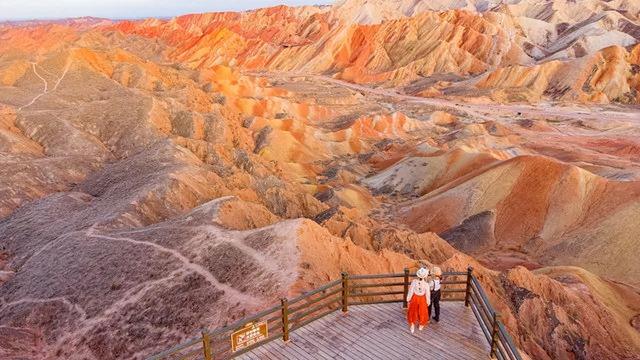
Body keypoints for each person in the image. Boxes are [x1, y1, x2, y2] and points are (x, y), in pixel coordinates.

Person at [406, 267, 430, 333]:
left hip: (415, 298)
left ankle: (412, 325)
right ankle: (421, 325)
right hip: (422, 298)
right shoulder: (426, 284)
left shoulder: (414, 282)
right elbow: (428, 294)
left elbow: (411, 290)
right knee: (422, 311)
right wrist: (428, 301)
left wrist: (408, 298)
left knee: (412, 311)